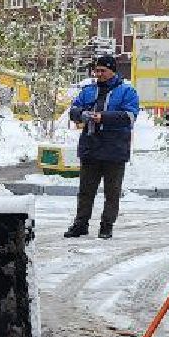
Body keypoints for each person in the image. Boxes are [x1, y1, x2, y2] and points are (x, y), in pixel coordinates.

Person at [64, 54, 138, 239]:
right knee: (85, 191)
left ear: (113, 71)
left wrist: (103, 117)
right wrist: (82, 114)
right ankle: (80, 224)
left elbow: (130, 116)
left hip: (115, 149)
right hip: (90, 147)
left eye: (103, 70)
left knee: (112, 192)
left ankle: (107, 225)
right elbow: (73, 110)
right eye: (96, 70)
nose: (99, 74)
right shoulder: (88, 90)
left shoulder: (127, 91)